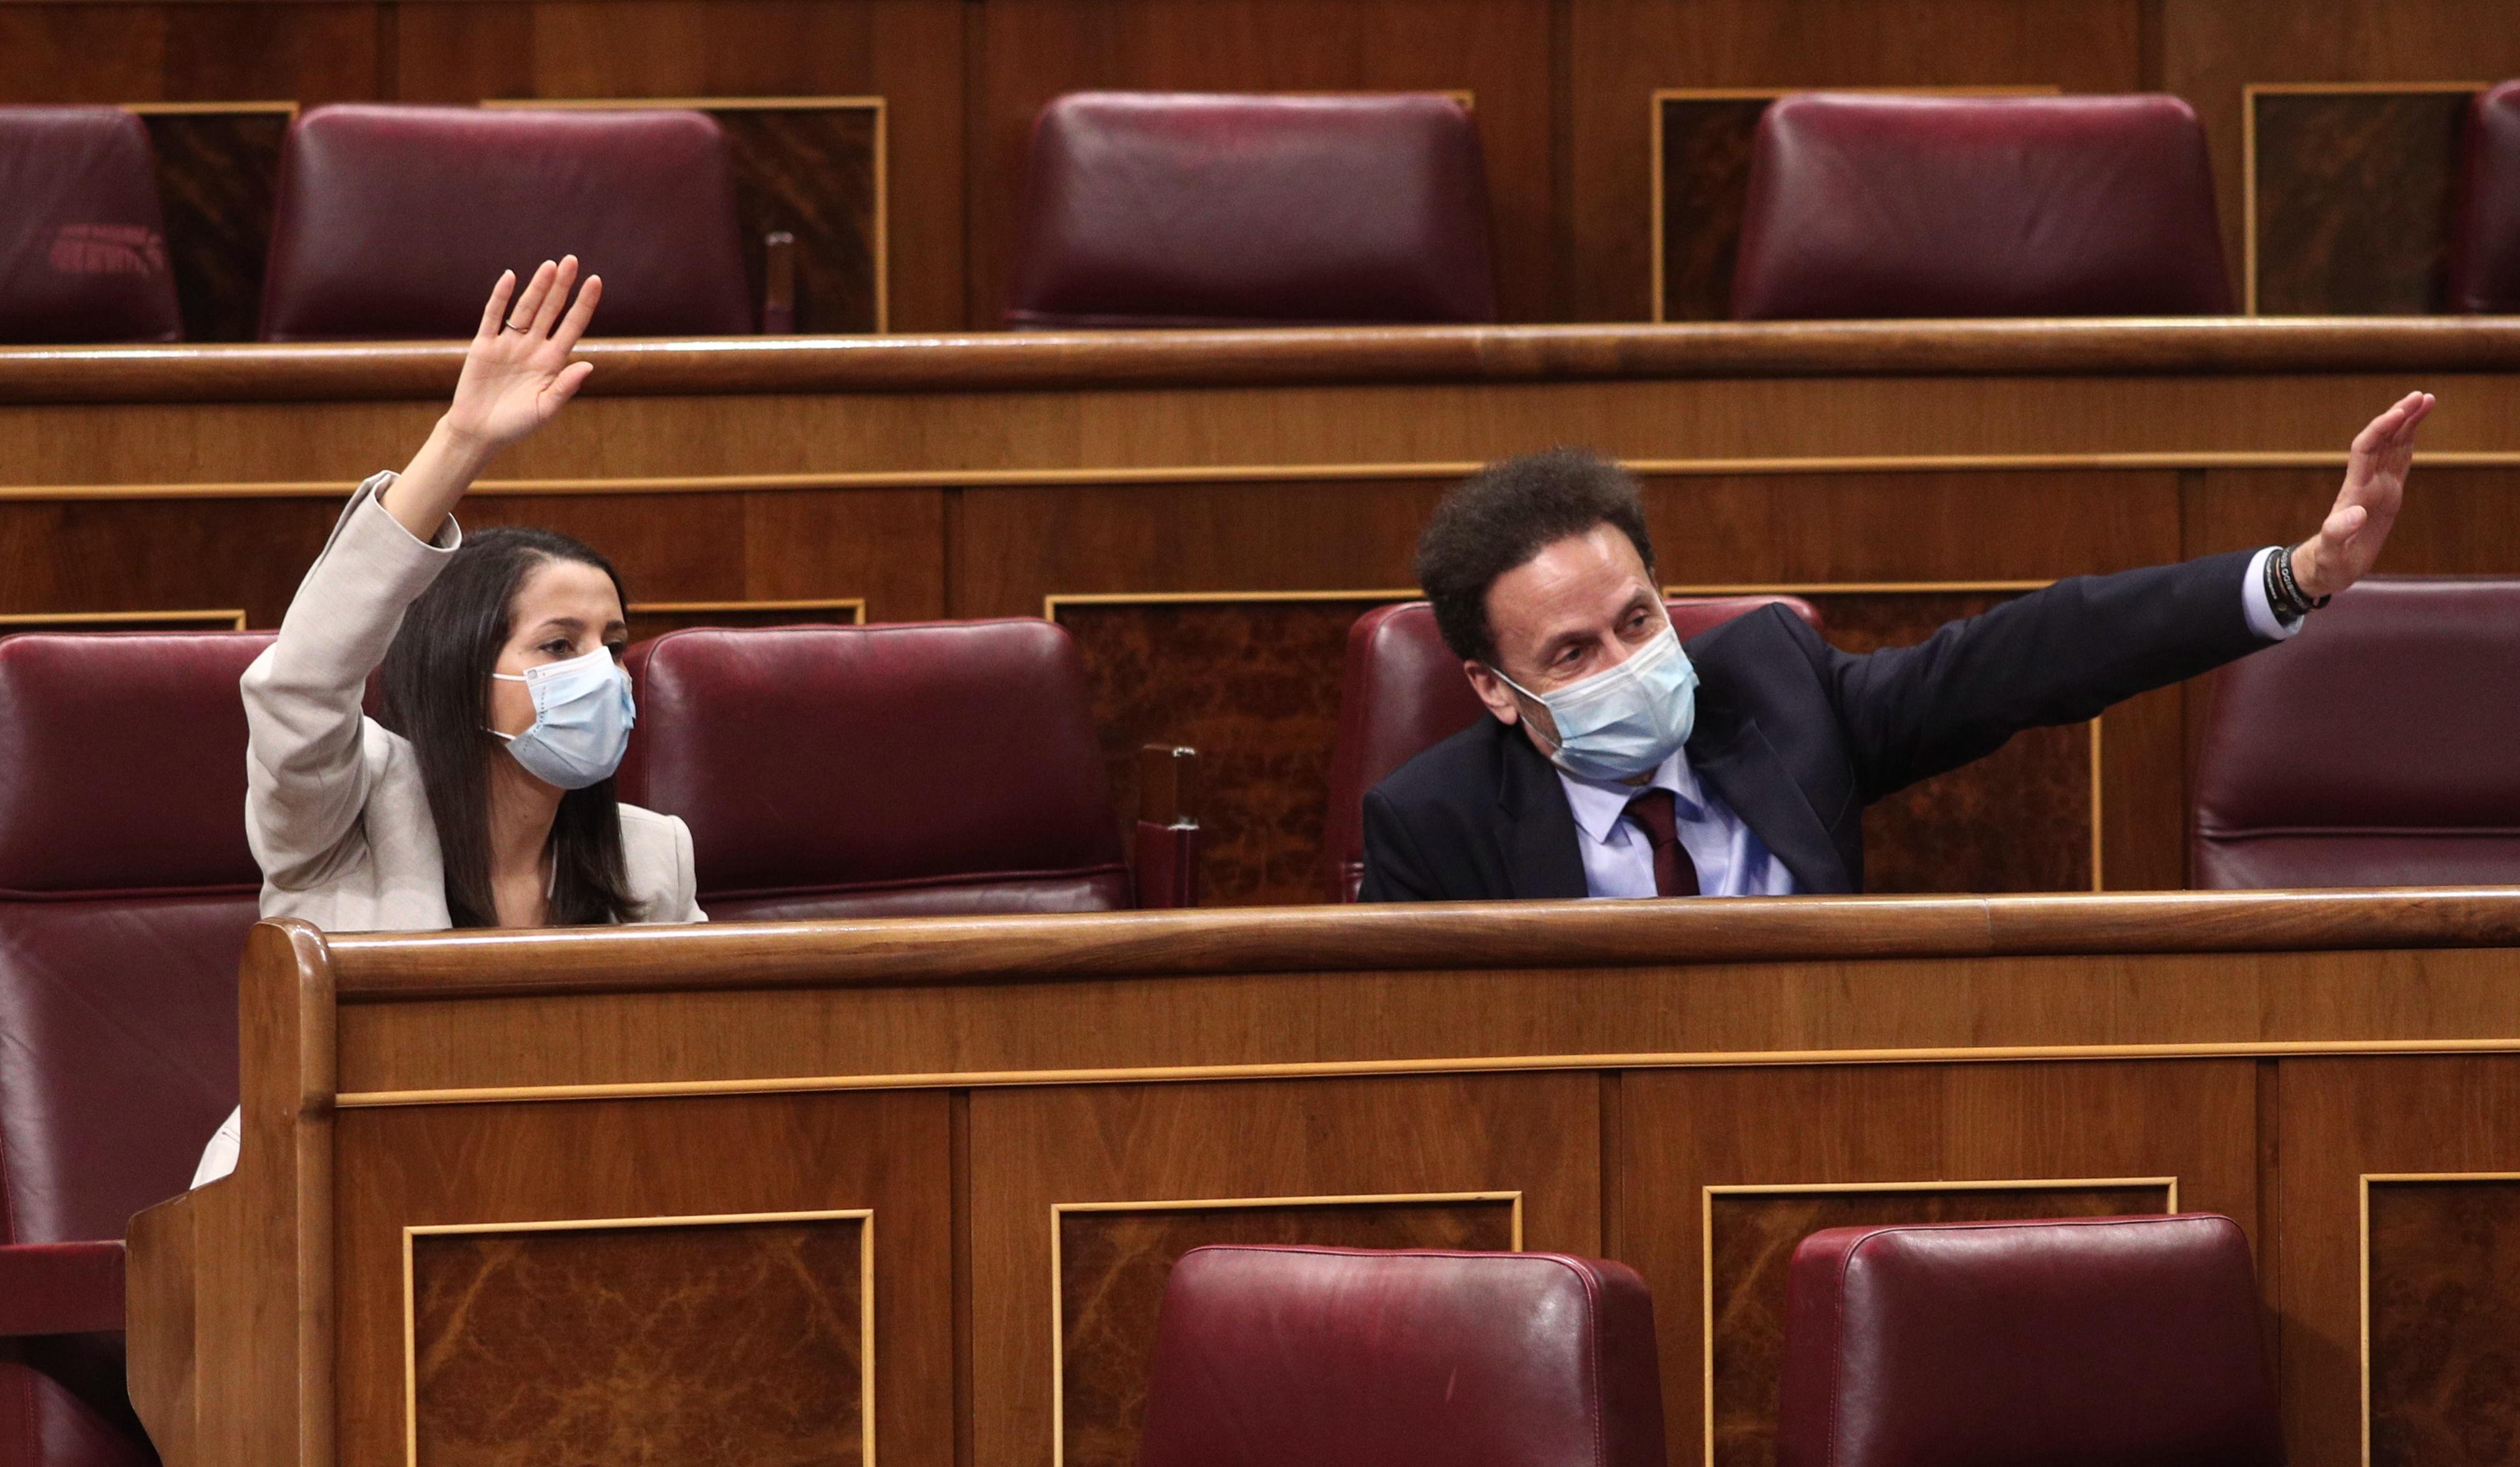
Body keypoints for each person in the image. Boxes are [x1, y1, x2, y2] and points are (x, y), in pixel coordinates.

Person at [1358, 393, 2436, 903]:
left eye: (1638, 622)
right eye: (1572, 656)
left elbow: (2037, 652)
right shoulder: (1431, 823)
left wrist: (2299, 576)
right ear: (1494, 691)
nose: (1625, 664)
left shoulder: (1777, 689)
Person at [192, 257, 704, 1184]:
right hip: (317, 1200)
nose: (602, 671)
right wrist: (460, 444)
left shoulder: (652, 857)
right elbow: (302, 681)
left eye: (614, 643)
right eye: (558, 646)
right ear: (467, 676)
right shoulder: (340, 820)